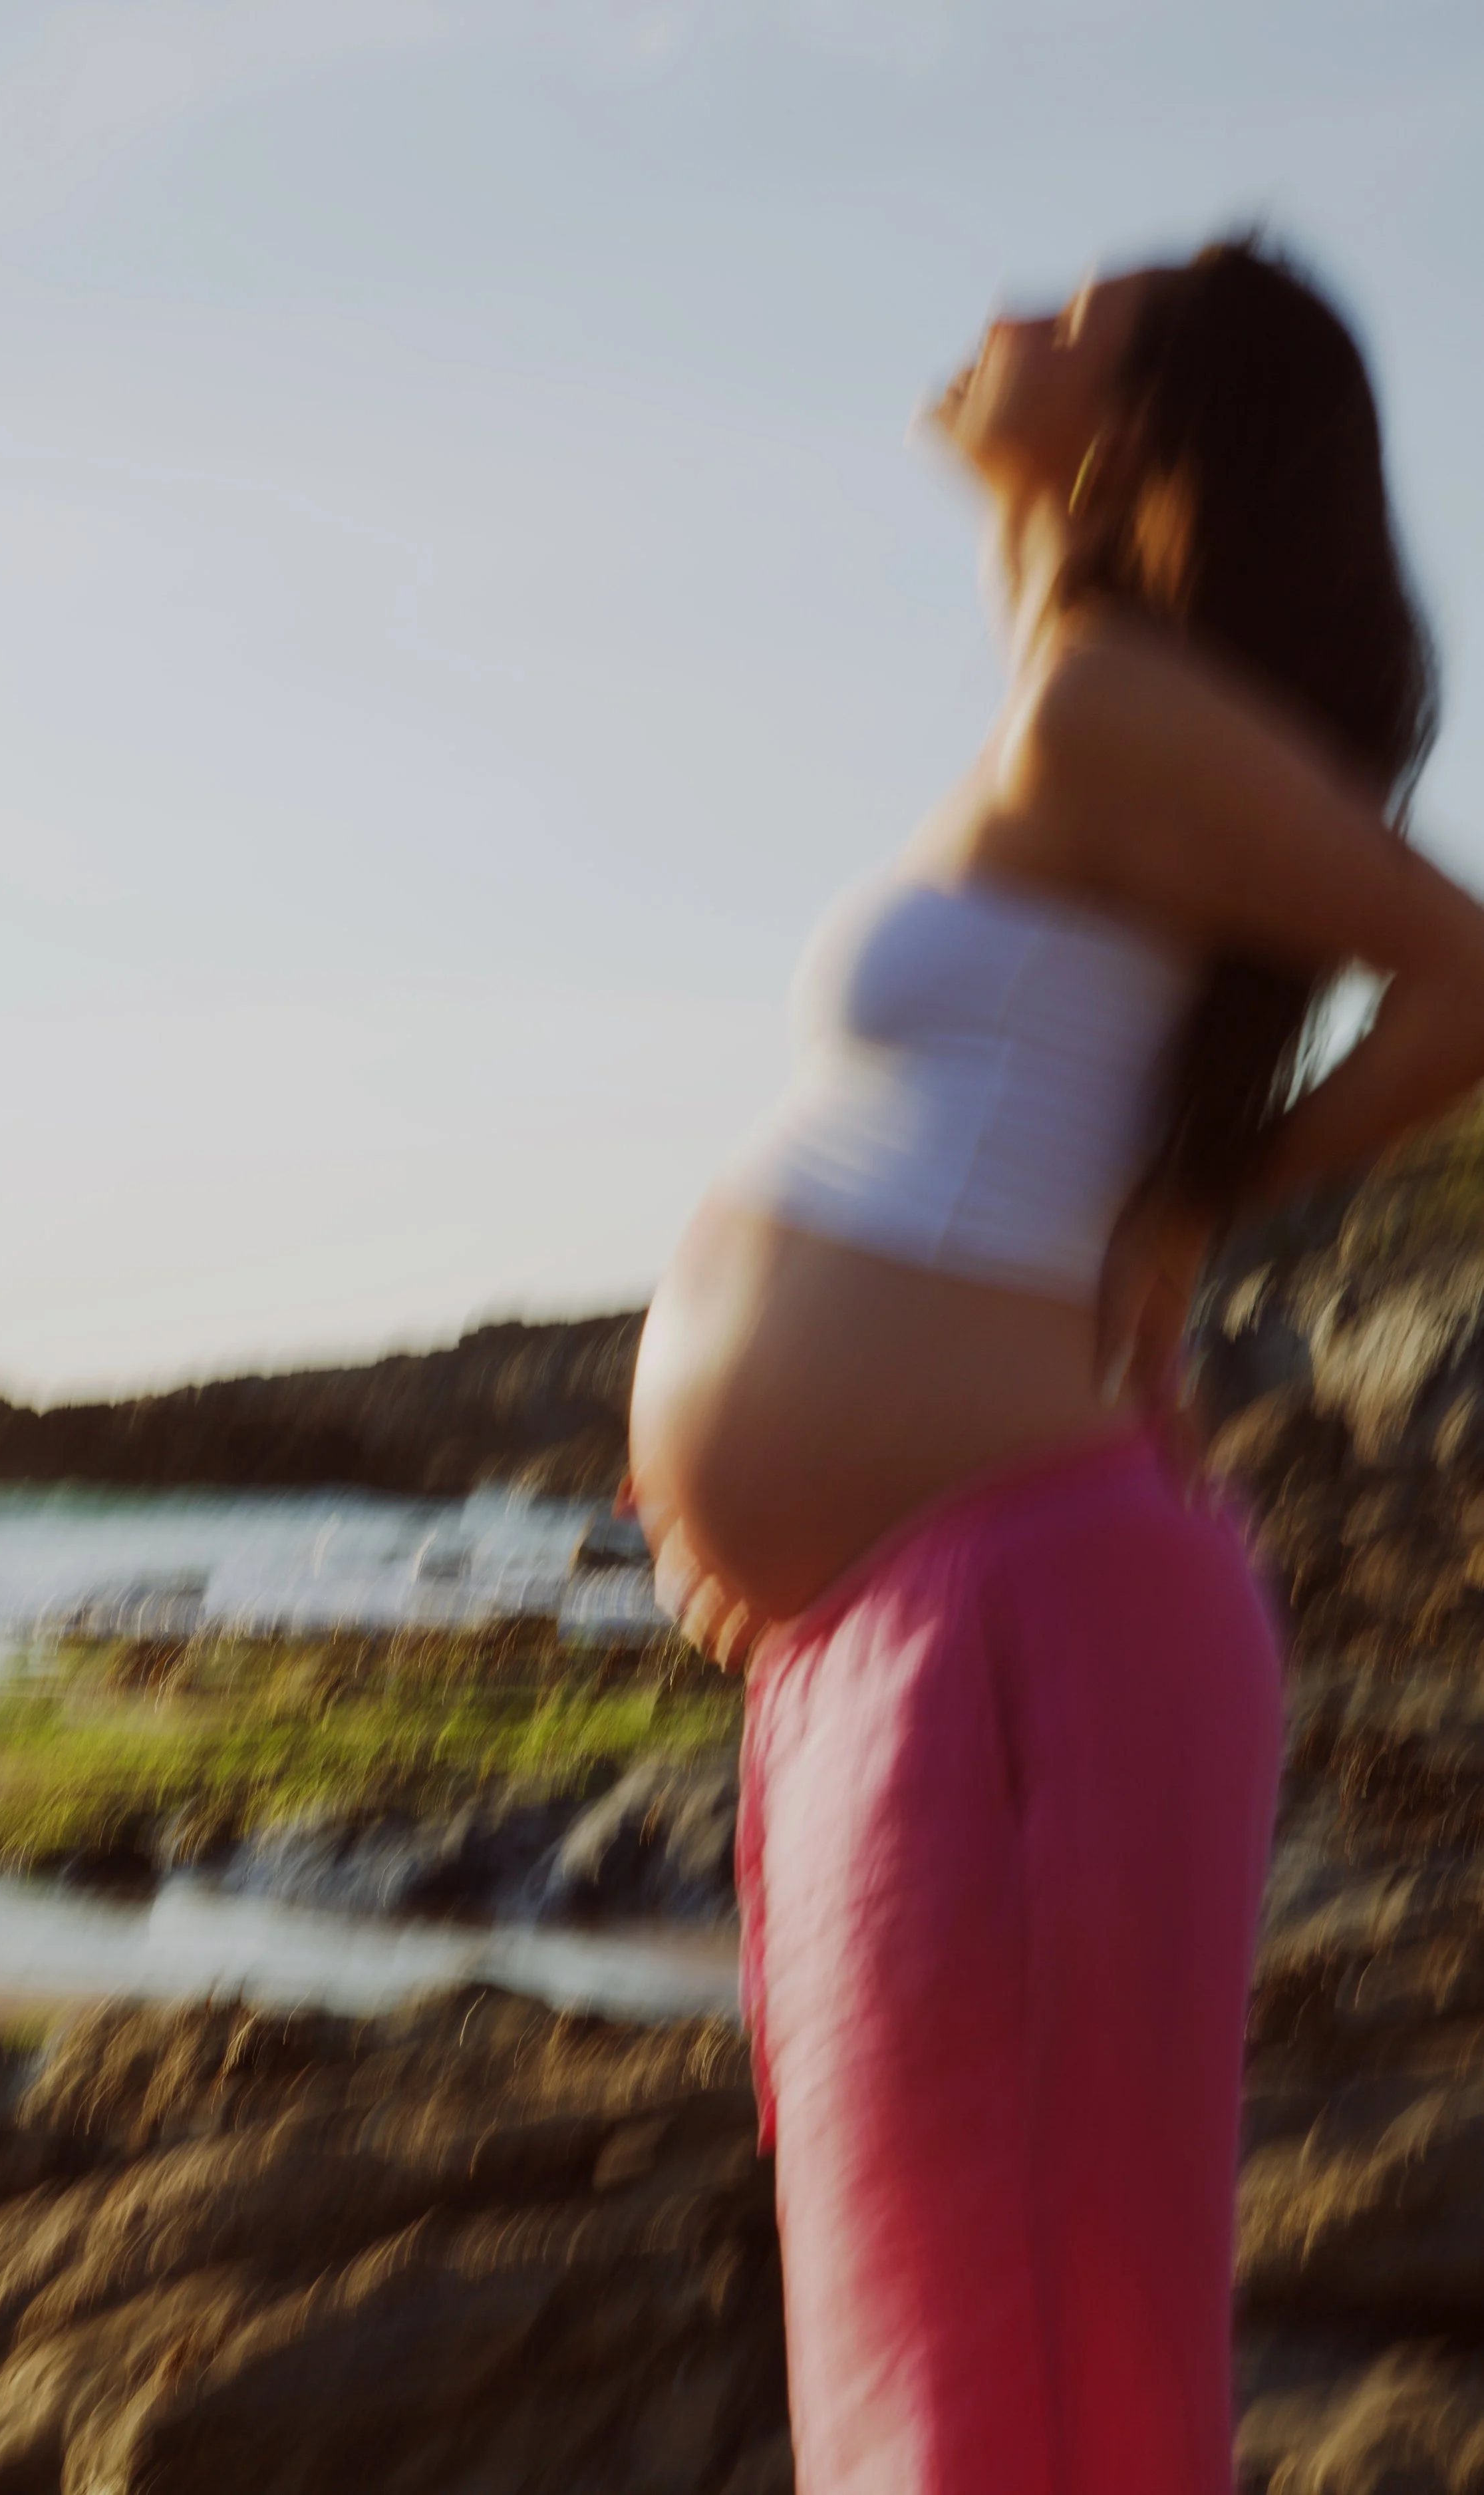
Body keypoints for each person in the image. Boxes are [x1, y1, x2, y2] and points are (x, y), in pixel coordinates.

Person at [623, 236, 1484, 2494]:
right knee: (926, 2364)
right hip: (909, 1630)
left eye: (1079, 311)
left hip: (1026, 1620)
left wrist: (1208, 1207)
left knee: (1018, 2385)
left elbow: (1462, 971)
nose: (1011, 305)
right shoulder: (1062, 705)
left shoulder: (1102, 703)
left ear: (1148, 426)